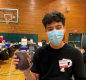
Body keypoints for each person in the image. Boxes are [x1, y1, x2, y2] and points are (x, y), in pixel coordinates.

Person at [13, 11, 86, 80]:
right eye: (50, 29)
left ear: (64, 28)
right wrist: (26, 70)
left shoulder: (75, 53)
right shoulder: (39, 52)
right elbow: (33, 78)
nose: (54, 32)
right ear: (46, 32)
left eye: (58, 28)